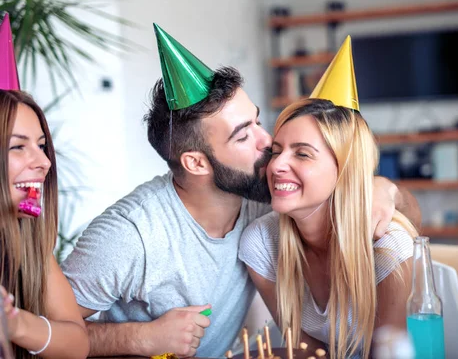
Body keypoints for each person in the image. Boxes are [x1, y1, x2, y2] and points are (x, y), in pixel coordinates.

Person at [61, 26, 421, 358]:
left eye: (258, 121)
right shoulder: (130, 235)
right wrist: (142, 338)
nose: (270, 145)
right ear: (197, 163)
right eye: (243, 134)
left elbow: (403, 231)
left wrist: (381, 189)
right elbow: (43, 331)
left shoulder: (262, 199)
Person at [239, 37, 418, 359]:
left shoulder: (388, 246)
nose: (276, 165)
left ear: (345, 169)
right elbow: (307, 349)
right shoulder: (261, 242)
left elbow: (390, 354)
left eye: (303, 154)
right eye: (276, 151)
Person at [0, 90, 89, 359]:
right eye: (18, 146)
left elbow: (77, 345)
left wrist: (15, 323)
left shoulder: (28, 243)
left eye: (41, 146)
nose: (45, 162)